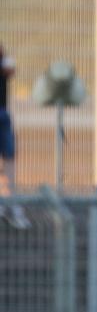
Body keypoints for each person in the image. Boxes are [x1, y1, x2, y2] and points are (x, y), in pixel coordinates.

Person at [0, 44, 29, 229]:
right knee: (8, 161)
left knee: (9, 160)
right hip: (3, 116)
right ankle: (8, 206)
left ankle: (10, 206)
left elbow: (10, 69)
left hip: (3, 115)